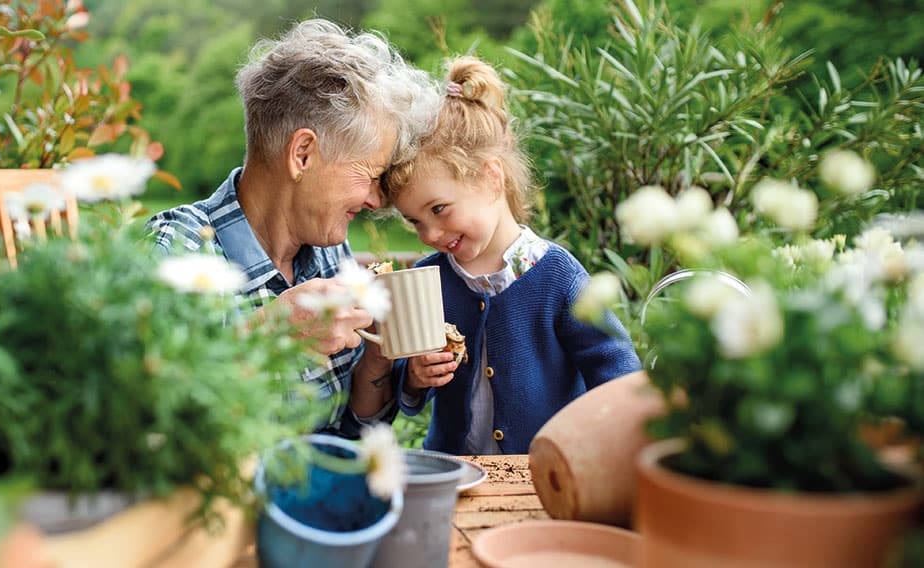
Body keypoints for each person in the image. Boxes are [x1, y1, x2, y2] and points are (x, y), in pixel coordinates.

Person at [146, 19, 441, 438]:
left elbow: (350, 434)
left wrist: (377, 357)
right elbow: (139, 410)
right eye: (370, 175)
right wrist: (269, 335)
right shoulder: (179, 248)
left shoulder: (325, 252)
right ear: (302, 154)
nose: (376, 201)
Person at [380, 56, 644, 455]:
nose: (430, 234)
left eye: (438, 209)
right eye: (415, 222)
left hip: (542, 475)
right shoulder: (428, 279)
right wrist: (415, 376)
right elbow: (406, 379)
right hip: (454, 473)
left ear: (491, 177)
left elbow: (614, 367)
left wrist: (607, 441)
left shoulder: (557, 276)